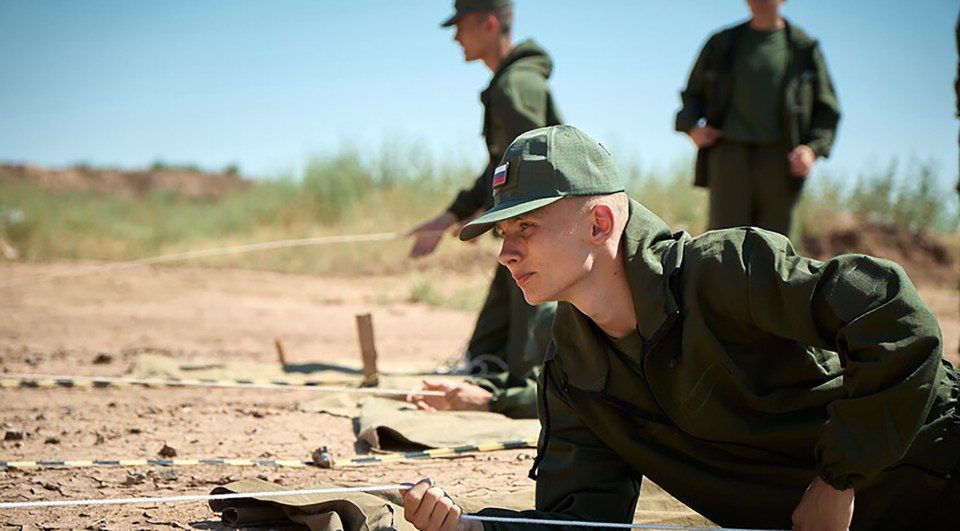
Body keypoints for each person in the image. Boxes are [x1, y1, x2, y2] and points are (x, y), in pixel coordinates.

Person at [400, 125, 960, 531]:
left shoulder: (724, 271)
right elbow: (582, 523)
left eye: (526, 226)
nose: (507, 253)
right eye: (502, 234)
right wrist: (473, 528)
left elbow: (892, 313)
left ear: (599, 223)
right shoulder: (573, 370)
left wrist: (837, 479)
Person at [407, 0, 562, 393]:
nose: (456, 36)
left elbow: (534, 166)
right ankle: (490, 372)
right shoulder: (506, 83)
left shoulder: (515, 86)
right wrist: (449, 218)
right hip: (525, 225)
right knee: (489, 345)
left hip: (539, 228)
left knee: (529, 357)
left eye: (461, 26)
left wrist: (516, 225)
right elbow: (502, 165)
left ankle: (525, 393)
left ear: (489, 24)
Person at [675, 0, 841, 238]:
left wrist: (812, 149)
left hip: (780, 163)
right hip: (729, 158)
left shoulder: (804, 48)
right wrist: (693, 128)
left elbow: (826, 108)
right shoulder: (722, 43)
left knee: (776, 251)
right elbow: (693, 94)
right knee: (722, 246)